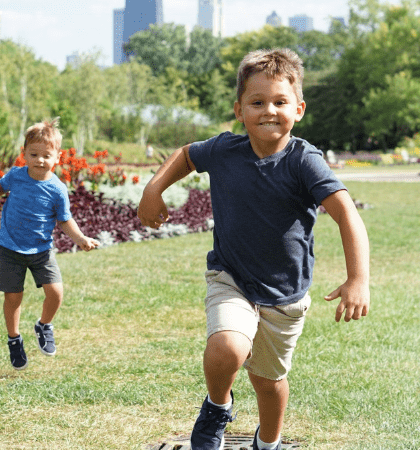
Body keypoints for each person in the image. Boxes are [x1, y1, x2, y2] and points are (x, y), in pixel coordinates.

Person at [137, 48, 370, 450]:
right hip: (231, 277)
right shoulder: (226, 150)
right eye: (257, 102)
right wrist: (154, 188)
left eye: (280, 102)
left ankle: (269, 442)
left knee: (267, 381)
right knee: (228, 346)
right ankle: (217, 407)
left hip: (286, 295)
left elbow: (347, 214)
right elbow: (186, 154)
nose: (268, 110)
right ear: (239, 109)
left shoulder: (305, 162)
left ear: (298, 109)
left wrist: (358, 278)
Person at [0, 119, 100, 370]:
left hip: (42, 249)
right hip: (10, 247)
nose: (40, 160)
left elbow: (65, 220)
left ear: (58, 157)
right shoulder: (16, 176)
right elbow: (2, 185)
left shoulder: (57, 189)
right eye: (33, 154)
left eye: (46, 155)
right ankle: (14, 339)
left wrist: (81, 239)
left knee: (55, 292)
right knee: (13, 296)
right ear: (24, 154)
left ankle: (44, 325)